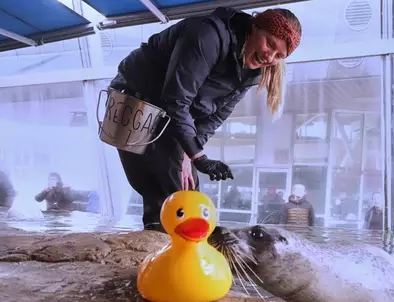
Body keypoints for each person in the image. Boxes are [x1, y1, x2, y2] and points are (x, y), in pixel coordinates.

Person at [108, 7, 302, 232]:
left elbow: (216, 115)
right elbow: (177, 99)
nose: (270, 57)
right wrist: (196, 155)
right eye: (269, 44)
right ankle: (172, 248)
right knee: (178, 195)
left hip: (171, 114)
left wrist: (189, 155)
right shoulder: (207, 36)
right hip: (137, 98)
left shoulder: (252, 72)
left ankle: (164, 240)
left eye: (279, 56)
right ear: (255, 25)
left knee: (184, 189)